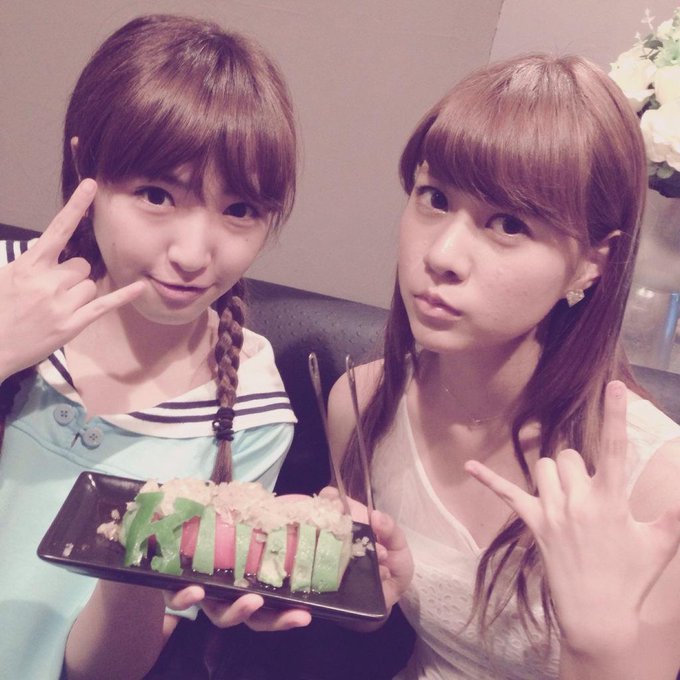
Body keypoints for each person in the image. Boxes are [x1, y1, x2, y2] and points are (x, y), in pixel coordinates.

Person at [327, 53, 680, 679]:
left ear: (591, 263)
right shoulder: (360, 402)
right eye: (434, 198)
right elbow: (368, 620)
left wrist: (599, 641)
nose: (442, 254)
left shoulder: (658, 484)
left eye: (509, 224)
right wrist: (354, 588)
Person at [0, 14, 304, 679]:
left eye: (240, 210)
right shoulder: (9, 287)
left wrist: (138, 563)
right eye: (157, 195)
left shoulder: (248, 416)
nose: (193, 254)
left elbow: (103, 669)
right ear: (85, 167)